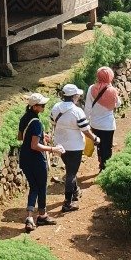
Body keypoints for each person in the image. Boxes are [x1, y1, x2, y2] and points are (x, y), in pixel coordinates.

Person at [17, 93, 62, 232]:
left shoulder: (25, 118)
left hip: (24, 158)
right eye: (42, 105)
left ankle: (30, 217)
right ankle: (42, 215)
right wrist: (52, 149)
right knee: (41, 186)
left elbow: (20, 137)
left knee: (34, 186)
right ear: (35, 107)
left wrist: (42, 136)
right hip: (36, 159)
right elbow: (34, 146)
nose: (44, 107)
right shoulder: (36, 122)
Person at [50, 85, 98, 213]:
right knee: (71, 173)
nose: (78, 97)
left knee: (69, 169)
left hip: (60, 145)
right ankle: (67, 203)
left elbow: (53, 122)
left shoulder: (55, 108)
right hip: (75, 146)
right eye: (77, 95)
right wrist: (94, 139)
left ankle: (75, 191)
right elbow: (85, 130)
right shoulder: (77, 111)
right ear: (74, 97)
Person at [87, 67, 120, 172]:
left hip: (94, 124)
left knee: (99, 145)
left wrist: (85, 122)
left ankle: (101, 163)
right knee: (107, 147)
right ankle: (105, 167)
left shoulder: (91, 88)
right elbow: (118, 104)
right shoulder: (112, 91)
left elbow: (88, 107)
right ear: (110, 77)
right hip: (108, 125)